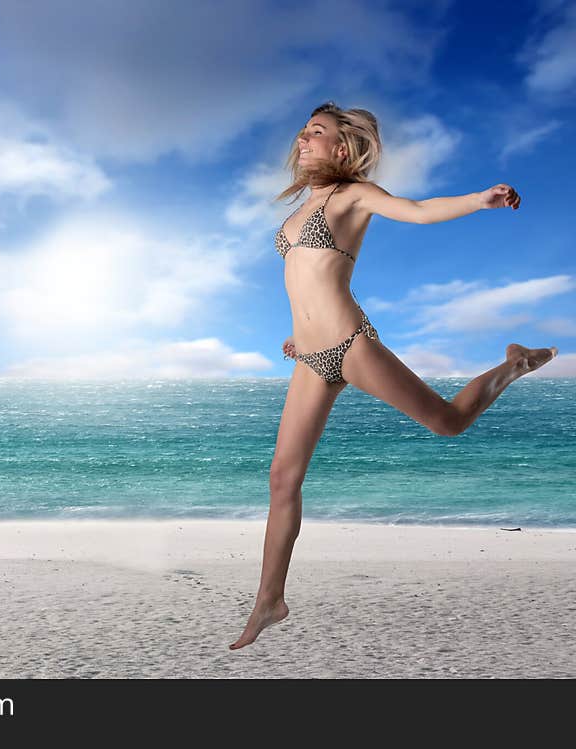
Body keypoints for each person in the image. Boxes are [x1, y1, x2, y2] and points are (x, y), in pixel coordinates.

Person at [229, 101, 558, 651]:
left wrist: (481, 199)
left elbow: (421, 209)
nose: (303, 138)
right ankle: (270, 600)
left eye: (317, 132)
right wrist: (298, 335)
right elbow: (306, 283)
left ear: (342, 148)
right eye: (303, 131)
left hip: (350, 344)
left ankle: (515, 363)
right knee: (282, 478)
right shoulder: (297, 211)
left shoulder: (355, 196)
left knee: (448, 422)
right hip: (311, 357)